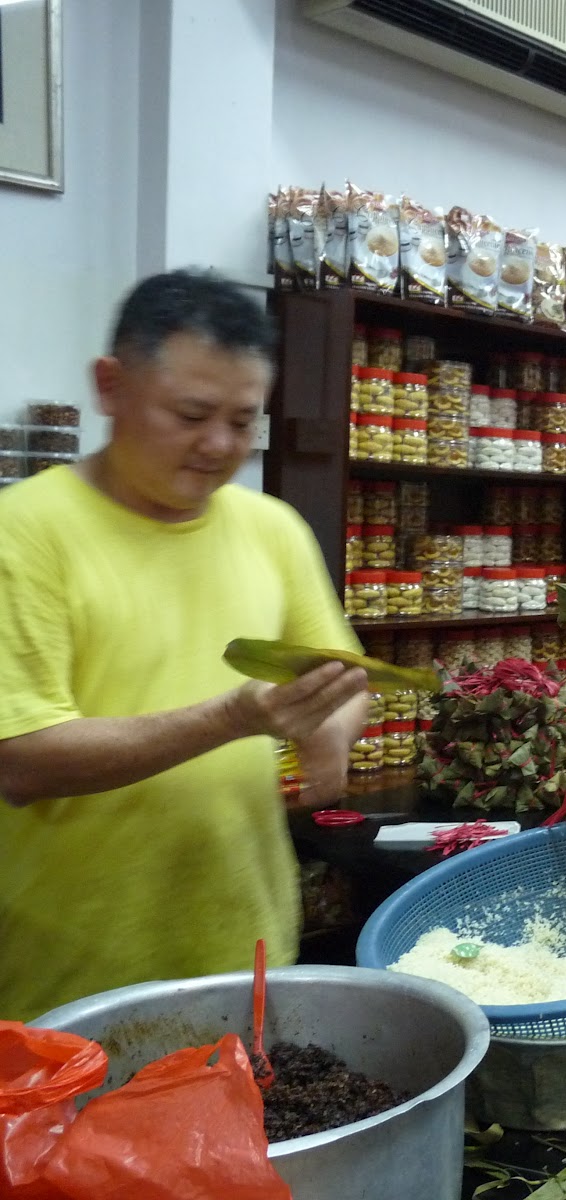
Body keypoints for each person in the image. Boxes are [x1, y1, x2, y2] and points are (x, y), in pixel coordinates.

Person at [0, 270, 369, 1021]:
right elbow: (23, 758)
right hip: (71, 974)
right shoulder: (26, 533)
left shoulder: (272, 528)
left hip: (247, 949)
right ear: (110, 386)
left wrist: (331, 728)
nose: (218, 445)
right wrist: (232, 718)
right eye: (191, 414)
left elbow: (341, 675)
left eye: (243, 421)